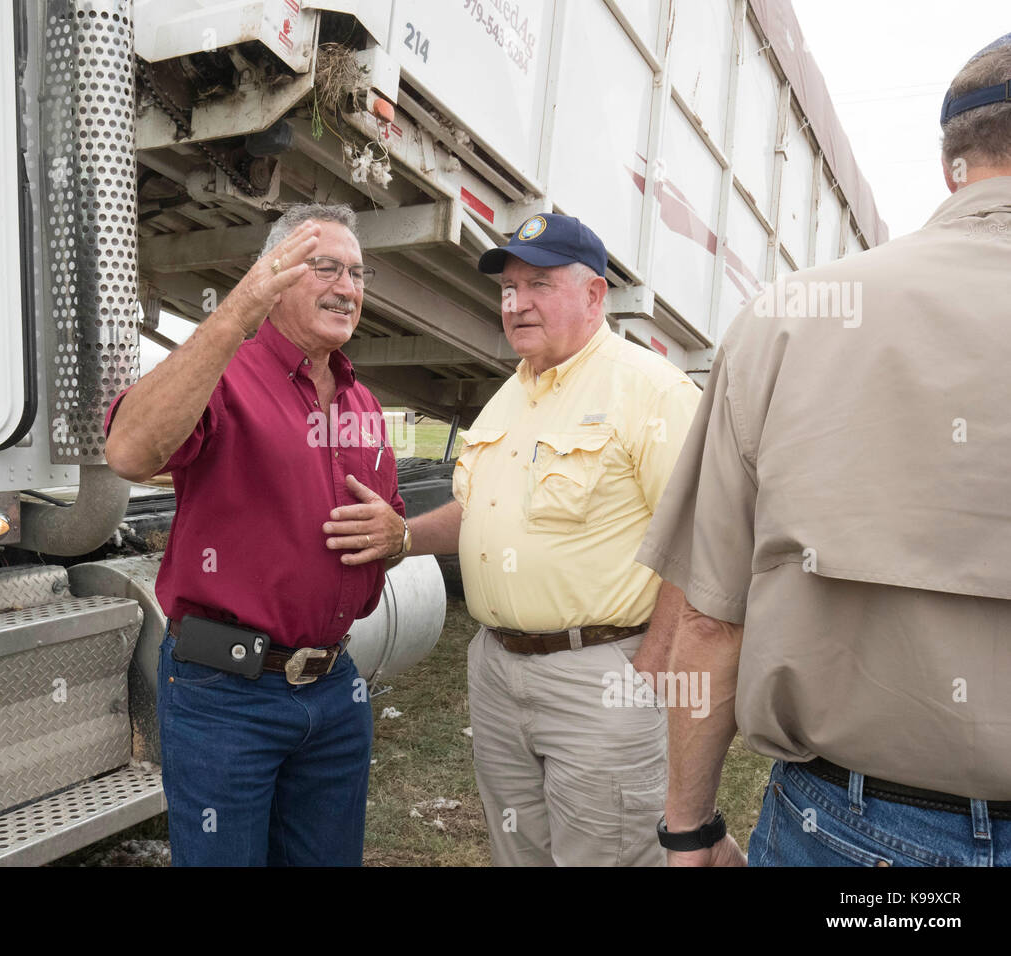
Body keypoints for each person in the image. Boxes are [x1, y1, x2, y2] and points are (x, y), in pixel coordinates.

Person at [636, 33, 1011, 867]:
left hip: (851, 829)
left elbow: (706, 618)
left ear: (953, 160)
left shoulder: (792, 318)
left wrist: (689, 829)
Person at [353, 213, 700, 865]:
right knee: (519, 853)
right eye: (509, 288)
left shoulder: (649, 389)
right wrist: (403, 536)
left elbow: (702, 539)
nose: (515, 303)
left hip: (601, 674)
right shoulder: (513, 394)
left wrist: (652, 668)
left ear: (594, 295)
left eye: (538, 284)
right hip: (497, 670)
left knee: (609, 855)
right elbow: (480, 512)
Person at [103, 203, 408, 866]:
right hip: (225, 696)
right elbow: (128, 451)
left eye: (358, 273)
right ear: (271, 276)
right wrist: (238, 308)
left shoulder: (361, 403)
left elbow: (390, 516)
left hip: (334, 690)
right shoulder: (226, 376)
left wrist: (397, 535)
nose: (348, 287)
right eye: (324, 267)